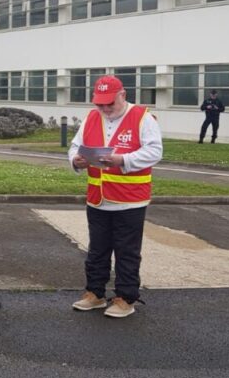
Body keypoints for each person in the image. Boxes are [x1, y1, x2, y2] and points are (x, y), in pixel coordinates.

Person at [68, 75, 162, 319]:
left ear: (123, 95)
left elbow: (155, 151)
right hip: (98, 198)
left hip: (130, 198)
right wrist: (76, 160)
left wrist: (123, 160)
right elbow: (75, 145)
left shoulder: (142, 117)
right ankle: (95, 293)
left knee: (126, 251)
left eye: (110, 103)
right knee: (97, 250)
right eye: (100, 104)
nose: (105, 109)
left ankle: (125, 298)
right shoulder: (91, 117)